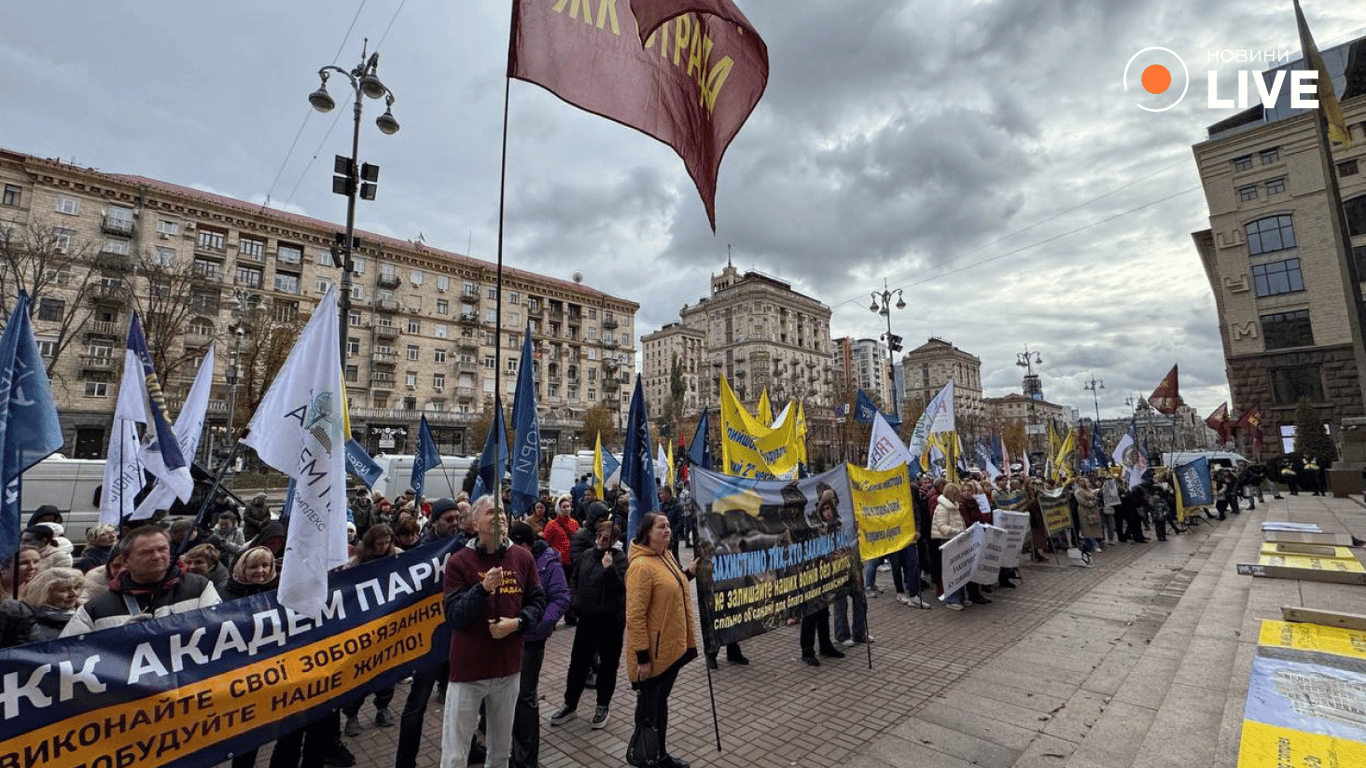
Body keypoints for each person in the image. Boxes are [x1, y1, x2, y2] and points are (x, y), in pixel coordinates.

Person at [440, 496, 547, 768]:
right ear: (475, 523)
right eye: (490, 512)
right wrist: (482, 589)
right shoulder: (458, 562)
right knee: (456, 753)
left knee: (500, 751)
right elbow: (454, 616)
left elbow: (537, 602)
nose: (499, 516)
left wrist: (517, 623)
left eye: (502, 511)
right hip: (468, 671)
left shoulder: (522, 557)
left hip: (508, 668)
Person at [625, 511, 698, 768]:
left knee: (659, 706)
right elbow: (635, 617)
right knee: (648, 712)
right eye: (661, 527)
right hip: (652, 657)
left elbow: (670, 587)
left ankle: (660, 755)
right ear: (647, 532)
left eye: (668, 525)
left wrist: (688, 573)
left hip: (669, 651)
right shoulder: (641, 567)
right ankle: (646, 757)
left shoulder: (664, 555)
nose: (667, 530)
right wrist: (642, 659)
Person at [395, 500, 461, 768]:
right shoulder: (421, 553)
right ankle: (405, 761)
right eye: (448, 519)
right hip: (430, 641)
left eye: (457, 518)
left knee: (461, 700)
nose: (454, 523)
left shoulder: (461, 546)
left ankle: (466, 748)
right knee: (417, 704)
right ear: (433, 522)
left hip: (456, 634)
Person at [61, 526, 220, 635]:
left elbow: (219, 631)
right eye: (147, 552)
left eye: (162, 549)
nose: (157, 556)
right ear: (125, 560)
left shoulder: (200, 588)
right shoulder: (95, 610)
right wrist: (120, 637)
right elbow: (70, 654)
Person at [551, 518, 628, 729]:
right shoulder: (586, 555)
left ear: (615, 540)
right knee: (578, 664)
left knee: (608, 665)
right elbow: (575, 579)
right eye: (600, 536)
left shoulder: (620, 559)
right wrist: (575, 601)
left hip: (611, 622)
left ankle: (602, 705)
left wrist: (609, 569)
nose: (602, 540)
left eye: (607, 538)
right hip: (587, 619)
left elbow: (620, 589)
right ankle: (570, 703)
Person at [508, 522, 570, 768]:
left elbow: (561, 598)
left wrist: (536, 626)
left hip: (530, 641)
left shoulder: (548, 562)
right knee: (505, 695)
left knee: (524, 696)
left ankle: (525, 760)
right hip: (506, 637)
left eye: (519, 545)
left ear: (530, 545)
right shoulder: (505, 558)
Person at [344, 524, 402, 737]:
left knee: (386, 672)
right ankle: (351, 715)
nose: (383, 547)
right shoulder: (357, 564)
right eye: (379, 544)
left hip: (388, 626)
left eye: (387, 543)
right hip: (364, 627)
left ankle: (383, 707)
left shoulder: (398, 558)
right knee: (359, 674)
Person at [20, 566, 83, 641]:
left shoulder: (85, 614)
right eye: (63, 590)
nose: (74, 594)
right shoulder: (34, 629)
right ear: (44, 594)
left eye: (76, 588)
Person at [931, 482, 967, 611]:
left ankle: (960, 597)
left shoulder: (953, 507)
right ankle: (952, 599)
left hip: (956, 540)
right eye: (957, 493)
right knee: (952, 571)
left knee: (959, 570)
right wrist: (957, 531)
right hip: (947, 541)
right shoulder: (942, 508)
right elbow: (942, 526)